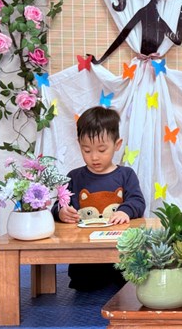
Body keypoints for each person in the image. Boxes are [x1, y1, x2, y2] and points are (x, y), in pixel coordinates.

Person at [51, 106, 146, 291]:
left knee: (128, 281)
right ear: (79, 145)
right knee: (83, 282)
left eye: (102, 150)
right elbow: (58, 205)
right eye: (86, 150)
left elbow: (138, 202)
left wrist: (125, 211)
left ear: (117, 145)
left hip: (119, 251)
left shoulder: (126, 175)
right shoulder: (74, 177)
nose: (94, 157)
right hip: (85, 254)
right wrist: (62, 212)